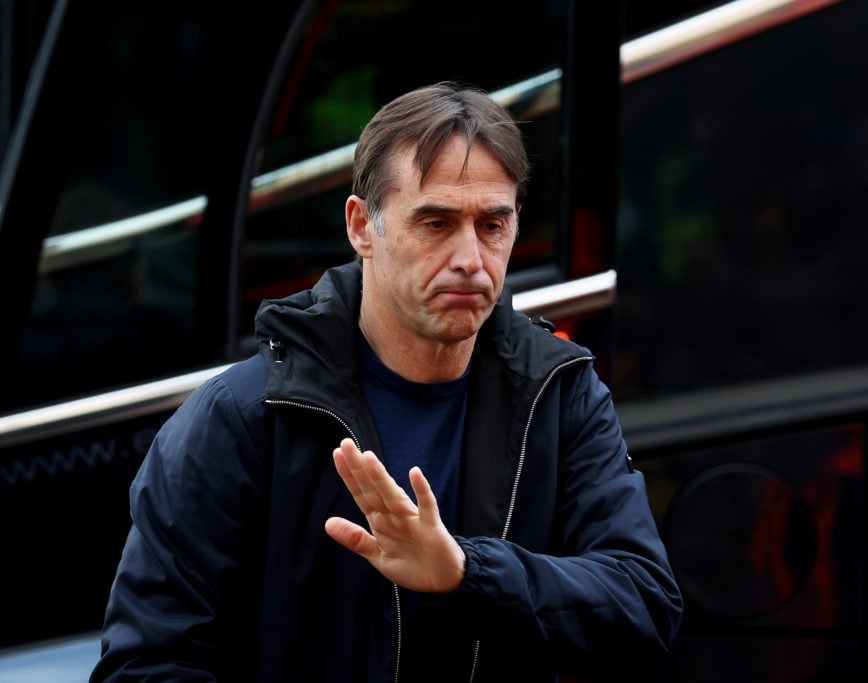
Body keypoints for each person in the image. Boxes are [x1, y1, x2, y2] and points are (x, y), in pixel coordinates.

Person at [91, 81, 683, 683]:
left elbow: (644, 607)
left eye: (492, 226)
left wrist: (466, 573)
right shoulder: (244, 415)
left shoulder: (562, 396)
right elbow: (149, 663)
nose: (470, 259)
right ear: (360, 227)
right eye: (436, 223)